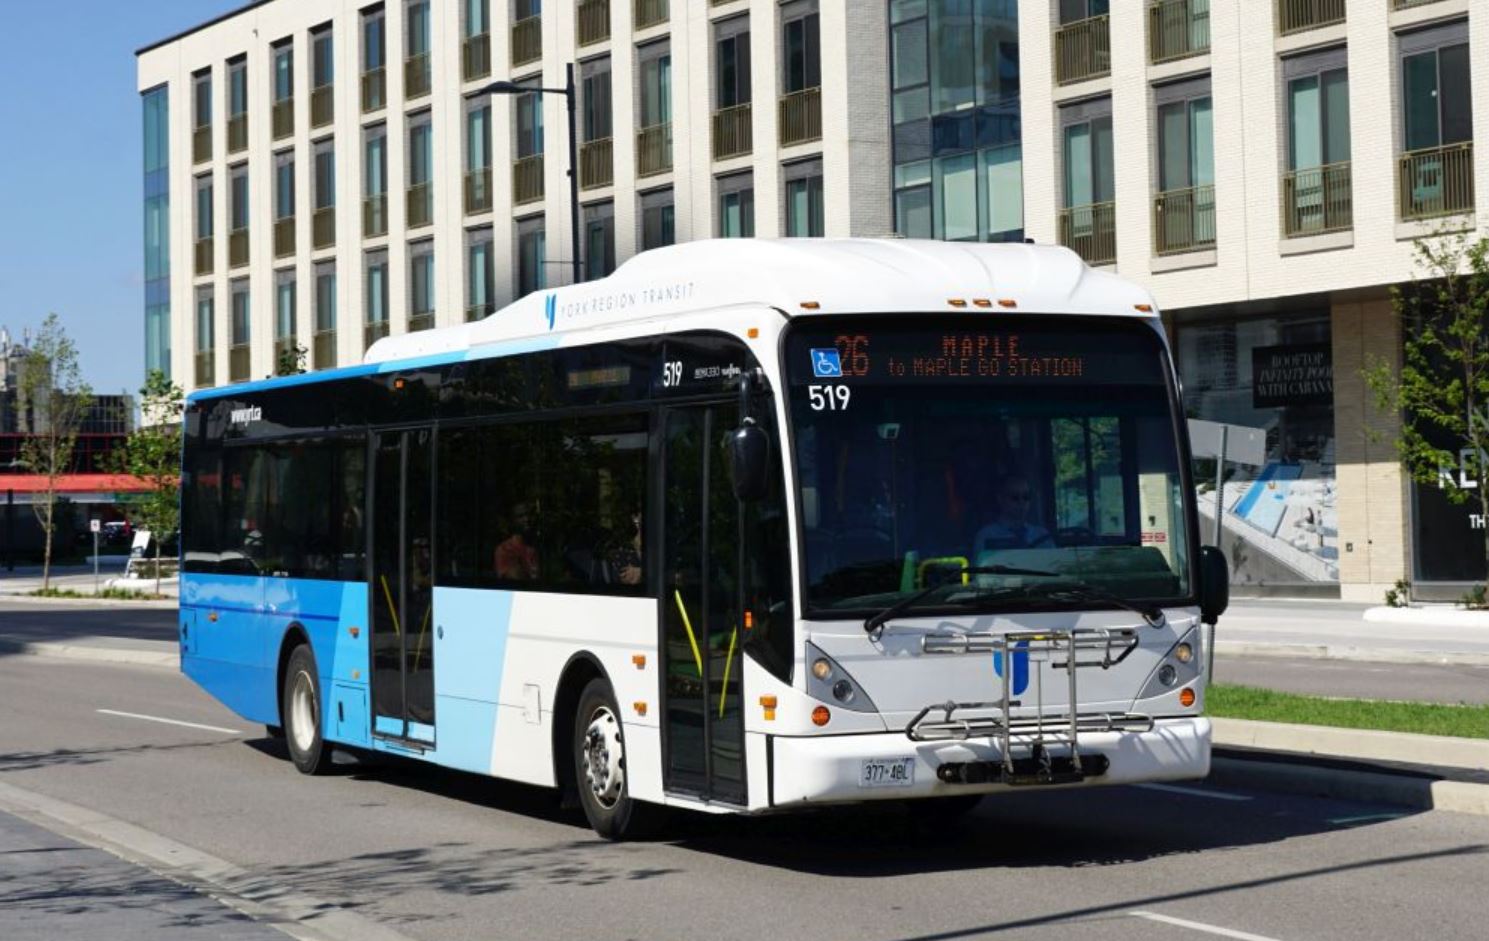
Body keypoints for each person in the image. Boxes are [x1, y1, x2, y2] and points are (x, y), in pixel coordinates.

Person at [972, 474, 1053, 552]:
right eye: (1015, 497)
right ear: (1000, 499)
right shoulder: (987, 536)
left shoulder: (1042, 535)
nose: (1021, 502)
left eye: (1026, 497)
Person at [495, 503, 540, 580]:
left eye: (529, 515)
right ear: (513, 521)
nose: (527, 519)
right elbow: (515, 580)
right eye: (521, 516)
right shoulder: (505, 549)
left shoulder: (540, 546)